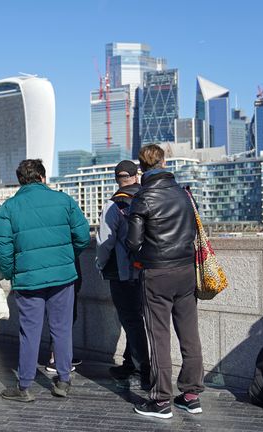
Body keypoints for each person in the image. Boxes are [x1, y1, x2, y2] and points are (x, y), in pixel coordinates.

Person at [0, 159, 90, 402]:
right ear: (43, 177)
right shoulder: (64, 200)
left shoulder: (9, 208)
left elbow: (1, 246)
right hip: (62, 277)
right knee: (62, 328)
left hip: (28, 279)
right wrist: (67, 258)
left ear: (20, 180)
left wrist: (12, 271)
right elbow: (83, 236)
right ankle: (63, 380)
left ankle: (24, 386)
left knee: (29, 332)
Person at [126, 144, 205, 419]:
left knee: (158, 336)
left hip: (157, 274)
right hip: (186, 271)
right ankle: (191, 395)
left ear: (141, 167)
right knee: (189, 334)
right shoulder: (184, 194)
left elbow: (133, 242)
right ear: (164, 162)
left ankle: (161, 400)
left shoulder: (143, 198)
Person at [96, 160, 151, 388]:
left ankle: (142, 369)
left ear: (117, 178)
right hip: (150, 269)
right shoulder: (149, 198)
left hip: (123, 272)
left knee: (131, 319)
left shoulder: (115, 205)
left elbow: (104, 241)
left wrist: (100, 265)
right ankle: (130, 363)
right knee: (137, 319)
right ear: (136, 176)